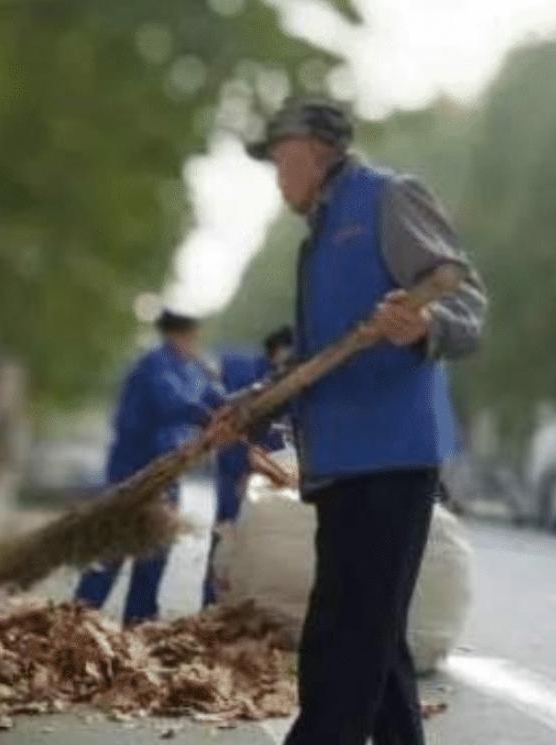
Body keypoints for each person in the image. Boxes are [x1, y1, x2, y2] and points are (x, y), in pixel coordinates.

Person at [243, 98, 487, 744]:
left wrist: (425, 323)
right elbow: (318, 360)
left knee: (342, 644)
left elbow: (465, 303)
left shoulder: (386, 199)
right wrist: (258, 402)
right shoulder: (317, 240)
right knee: (373, 642)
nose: (275, 173)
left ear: (316, 149)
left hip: (391, 459)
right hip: (340, 465)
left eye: (280, 157)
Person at [74, 309, 224, 625]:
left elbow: (215, 398)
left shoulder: (192, 367)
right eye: (192, 336)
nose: (195, 342)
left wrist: (236, 403)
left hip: (167, 472)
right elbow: (173, 403)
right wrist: (206, 412)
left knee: (156, 545)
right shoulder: (155, 365)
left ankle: (139, 619)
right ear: (176, 335)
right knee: (114, 544)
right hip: (133, 469)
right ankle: (80, 614)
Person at [203, 326, 295, 607]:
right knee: (228, 538)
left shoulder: (301, 379)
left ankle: (262, 611)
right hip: (237, 475)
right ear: (274, 352)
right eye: (285, 357)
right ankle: (214, 608)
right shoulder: (244, 373)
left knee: (275, 545)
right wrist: (245, 470)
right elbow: (212, 400)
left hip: (281, 480)